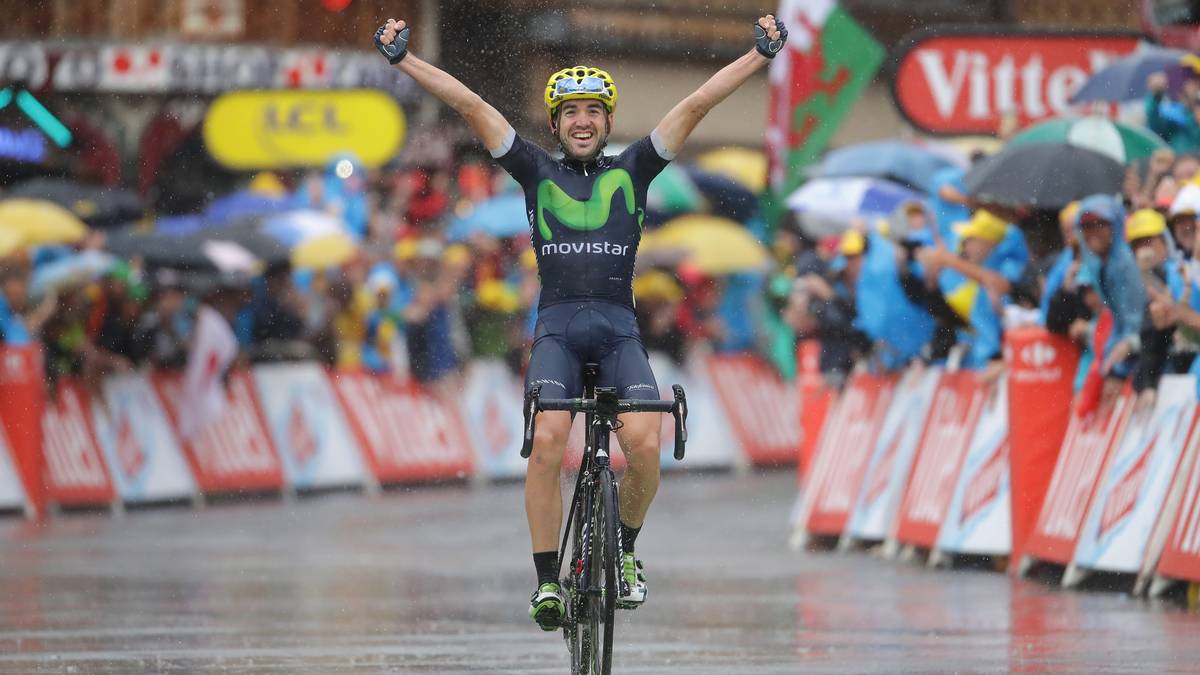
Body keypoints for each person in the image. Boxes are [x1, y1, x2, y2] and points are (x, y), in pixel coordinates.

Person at [373, 13, 788, 630]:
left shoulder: (635, 169)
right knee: (546, 442)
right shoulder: (533, 168)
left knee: (645, 441)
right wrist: (405, 60)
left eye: (593, 111)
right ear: (556, 122)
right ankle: (547, 583)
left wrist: (759, 56)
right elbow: (468, 102)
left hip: (619, 330)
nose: (583, 121)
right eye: (570, 112)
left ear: (608, 121)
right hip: (559, 331)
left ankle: (623, 551)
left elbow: (697, 103)